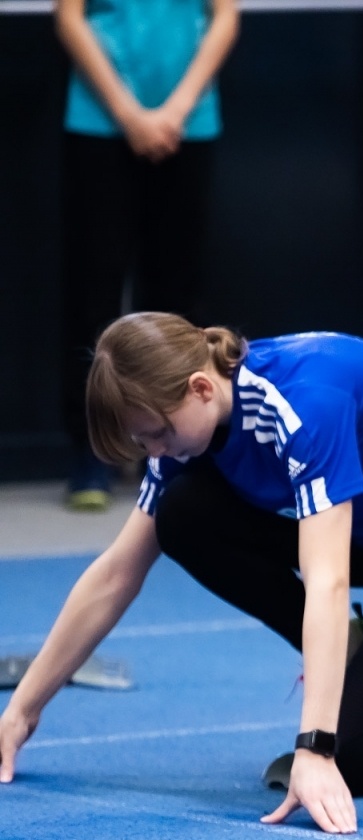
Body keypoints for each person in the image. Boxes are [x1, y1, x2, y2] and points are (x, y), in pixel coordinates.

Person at [0, 313, 363, 830]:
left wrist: (316, 748)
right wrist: (20, 712)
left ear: (201, 388)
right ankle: (356, 653)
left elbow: (326, 580)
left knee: (352, 760)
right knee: (181, 515)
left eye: (158, 434)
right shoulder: (184, 437)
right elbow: (114, 575)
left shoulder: (304, 403)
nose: (156, 453)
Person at [56, 0, 239, 511]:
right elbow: (69, 16)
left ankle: (181, 447)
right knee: (92, 289)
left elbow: (225, 15)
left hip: (189, 124)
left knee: (179, 294)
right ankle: (94, 449)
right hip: (100, 120)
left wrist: (176, 110)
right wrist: (128, 114)